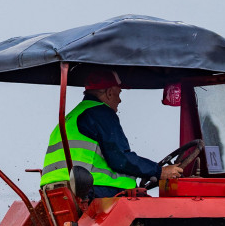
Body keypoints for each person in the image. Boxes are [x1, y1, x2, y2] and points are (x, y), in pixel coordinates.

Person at [40, 70, 183, 199]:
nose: (120, 100)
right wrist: (159, 172)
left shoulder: (70, 118)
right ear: (109, 92)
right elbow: (120, 159)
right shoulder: (100, 113)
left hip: (56, 189)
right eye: (119, 93)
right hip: (89, 190)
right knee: (150, 209)